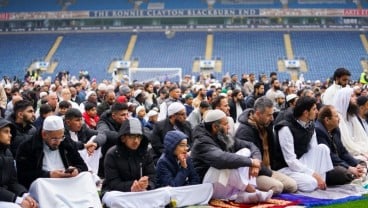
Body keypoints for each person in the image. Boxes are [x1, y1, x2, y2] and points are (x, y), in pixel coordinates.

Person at [16, 116, 100, 207]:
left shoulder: (65, 141)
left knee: (86, 176)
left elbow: (82, 165)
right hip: (46, 183)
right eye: (54, 139)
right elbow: (23, 176)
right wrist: (49, 174)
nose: (59, 142)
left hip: (66, 180)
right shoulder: (27, 146)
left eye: (61, 137)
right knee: (40, 183)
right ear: (44, 134)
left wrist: (76, 170)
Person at [191, 109, 273, 203]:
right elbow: (222, 159)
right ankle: (251, 190)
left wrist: (256, 160)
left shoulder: (220, 135)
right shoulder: (202, 142)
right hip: (207, 185)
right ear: (215, 126)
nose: (229, 127)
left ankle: (242, 194)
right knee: (227, 164)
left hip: (223, 182)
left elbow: (250, 145)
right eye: (225, 124)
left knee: (245, 151)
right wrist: (250, 162)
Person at [235, 97, 297, 195]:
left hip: (268, 169)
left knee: (292, 185)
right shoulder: (244, 131)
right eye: (269, 115)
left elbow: (272, 149)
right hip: (253, 174)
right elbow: (249, 161)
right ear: (258, 114)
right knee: (277, 187)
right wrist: (269, 173)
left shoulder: (267, 123)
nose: (272, 118)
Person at [273, 96, 333, 192]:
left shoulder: (311, 125)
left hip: (300, 162)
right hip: (285, 167)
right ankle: (316, 182)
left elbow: (313, 150)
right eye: (314, 109)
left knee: (322, 148)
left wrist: (313, 173)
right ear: (305, 113)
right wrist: (313, 173)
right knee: (310, 183)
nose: (317, 111)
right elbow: (290, 160)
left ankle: (321, 183)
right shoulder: (285, 128)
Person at [102, 118, 165, 207]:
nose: (136, 141)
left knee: (165, 193)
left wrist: (147, 185)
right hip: (119, 193)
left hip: (141, 192)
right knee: (113, 198)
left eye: (139, 137)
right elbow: (113, 182)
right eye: (132, 136)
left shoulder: (145, 153)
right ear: (123, 138)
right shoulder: (112, 154)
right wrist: (131, 186)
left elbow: (152, 176)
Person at [155, 130, 213, 206]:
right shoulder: (163, 162)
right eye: (182, 145)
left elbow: (195, 179)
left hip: (184, 193)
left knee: (208, 187)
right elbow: (172, 187)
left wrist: (187, 189)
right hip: (169, 199)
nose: (186, 149)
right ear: (172, 146)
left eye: (186, 145)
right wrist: (184, 168)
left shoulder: (186, 157)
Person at [315, 105, 366, 185]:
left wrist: (356, 164)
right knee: (341, 172)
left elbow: (343, 152)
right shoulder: (319, 131)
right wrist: (349, 167)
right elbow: (330, 156)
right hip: (325, 166)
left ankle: (358, 173)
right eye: (336, 117)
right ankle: (356, 175)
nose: (339, 119)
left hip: (338, 162)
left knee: (362, 162)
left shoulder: (335, 129)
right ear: (327, 120)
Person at [0, 118, 38, 208]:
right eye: (6, 132)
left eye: (10, 132)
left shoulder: (7, 152)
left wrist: (24, 195)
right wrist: (16, 199)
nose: (10, 135)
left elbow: (12, 182)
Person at [332, 87, 368, 161]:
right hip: (347, 155)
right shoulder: (338, 118)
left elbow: (362, 138)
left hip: (359, 150)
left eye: (355, 95)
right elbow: (345, 145)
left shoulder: (352, 116)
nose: (356, 99)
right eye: (352, 96)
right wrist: (361, 152)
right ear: (344, 100)